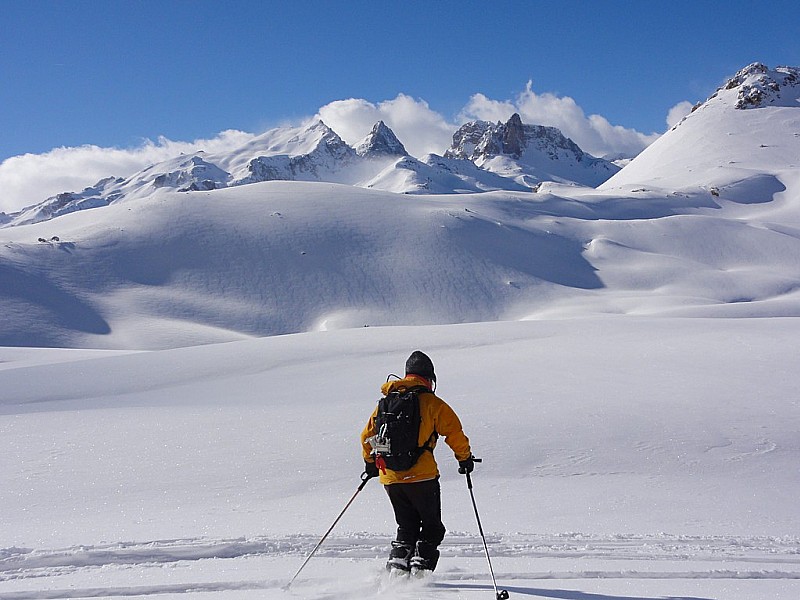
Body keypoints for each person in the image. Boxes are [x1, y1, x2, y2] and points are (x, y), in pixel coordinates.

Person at [360, 350, 474, 574]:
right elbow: (454, 433)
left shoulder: (385, 404)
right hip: (422, 477)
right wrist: (465, 459)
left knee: (406, 526)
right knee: (432, 528)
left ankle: (398, 569)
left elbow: (367, 437)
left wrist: (371, 463)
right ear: (429, 379)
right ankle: (421, 572)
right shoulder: (433, 403)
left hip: (391, 478)